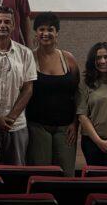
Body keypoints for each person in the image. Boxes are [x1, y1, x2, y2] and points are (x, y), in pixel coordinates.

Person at [0, 7, 37, 167]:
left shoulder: (25, 53)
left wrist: (10, 118)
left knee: (16, 174)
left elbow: (28, 89)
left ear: (13, 26)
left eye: (7, 22)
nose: (3, 25)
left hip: (16, 125)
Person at [26, 12, 79, 175]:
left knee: (66, 174)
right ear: (36, 33)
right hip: (37, 127)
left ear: (57, 33)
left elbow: (77, 93)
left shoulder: (68, 59)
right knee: (41, 175)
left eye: (50, 29)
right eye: (41, 29)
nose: (46, 33)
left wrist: (75, 123)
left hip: (65, 128)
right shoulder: (29, 58)